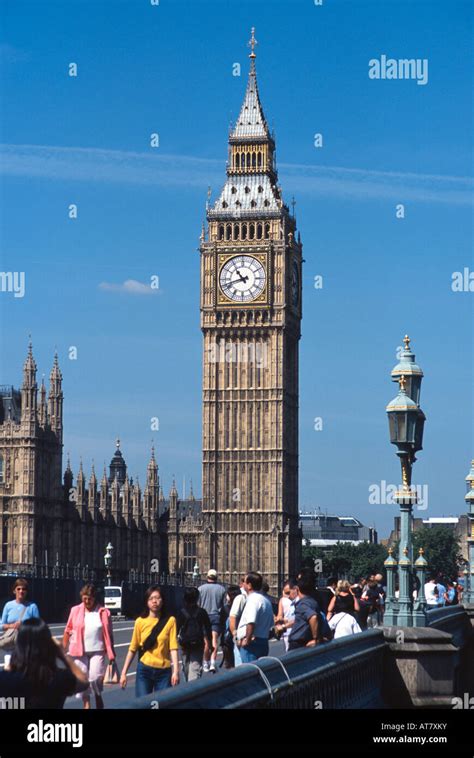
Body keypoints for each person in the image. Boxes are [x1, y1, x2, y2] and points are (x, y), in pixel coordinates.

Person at [2, 617, 89, 708]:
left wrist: (8, 669)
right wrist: (62, 654)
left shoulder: (6, 680)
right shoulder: (58, 678)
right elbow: (84, 682)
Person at [62, 583, 116, 710]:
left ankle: (98, 695)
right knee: (83, 679)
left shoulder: (103, 612)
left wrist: (111, 653)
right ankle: (86, 704)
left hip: (98, 650)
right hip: (79, 651)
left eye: (89, 598)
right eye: (84, 598)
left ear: (94, 598)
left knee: (95, 677)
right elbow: (68, 629)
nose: (87, 601)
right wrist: (63, 648)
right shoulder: (75, 610)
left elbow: (109, 634)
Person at [120, 585, 179, 696]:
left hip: (164, 671)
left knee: (161, 704)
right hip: (144, 670)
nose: (154, 601)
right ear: (146, 602)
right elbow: (133, 648)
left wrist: (175, 671)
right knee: (144, 704)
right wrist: (124, 673)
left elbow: (173, 648)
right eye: (151, 599)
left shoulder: (171, 621)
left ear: (163, 601)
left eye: (157, 598)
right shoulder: (140, 622)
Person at [236, 572, 274, 663]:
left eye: (244, 582)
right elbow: (271, 625)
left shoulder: (253, 601)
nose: (242, 584)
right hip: (263, 641)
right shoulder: (266, 601)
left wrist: (247, 640)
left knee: (249, 671)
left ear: (249, 585)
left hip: (252, 645)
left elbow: (251, 622)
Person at [176, 587, 211, 682]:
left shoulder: (181, 612)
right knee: (195, 669)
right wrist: (210, 644)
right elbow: (208, 629)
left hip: (184, 643)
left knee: (185, 667)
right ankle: (192, 687)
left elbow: (176, 629)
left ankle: (188, 686)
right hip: (198, 643)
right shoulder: (202, 612)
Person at [198, 569, 226, 672]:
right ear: (216, 577)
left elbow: (198, 605)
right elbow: (224, 606)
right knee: (214, 640)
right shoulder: (222, 589)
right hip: (216, 617)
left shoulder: (200, 589)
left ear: (207, 577)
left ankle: (205, 663)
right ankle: (213, 663)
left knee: (206, 642)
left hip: (204, 617)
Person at [288, 575, 326, 650]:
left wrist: (316, 639)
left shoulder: (303, 604)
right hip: (305, 641)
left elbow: (313, 617)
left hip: (298, 644)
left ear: (297, 589)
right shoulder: (313, 602)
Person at [1, 579, 40, 651]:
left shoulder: (32, 606)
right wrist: (12, 626)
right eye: (18, 589)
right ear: (14, 591)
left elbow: (38, 627)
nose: (21, 591)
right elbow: (1, 625)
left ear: (26, 591)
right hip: (11, 647)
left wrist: (23, 625)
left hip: (27, 647)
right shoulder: (8, 605)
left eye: (23, 589)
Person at [220, 585, 241, 669]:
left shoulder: (225, 609)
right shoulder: (243, 606)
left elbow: (221, 623)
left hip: (228, 640)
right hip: (239, 638)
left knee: (229, 664)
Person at [274, 580, 297, 652]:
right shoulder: (283, 600)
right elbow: (280, 615)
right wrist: (279, 620)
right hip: (287, 632)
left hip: (297, 631)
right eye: (286, 593)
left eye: (288, 593)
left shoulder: (300, 600)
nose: (288, 595)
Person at [229, 583, 247, 667]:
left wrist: (235, 636)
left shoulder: (240, 598)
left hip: (240, 639)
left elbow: (232, 617)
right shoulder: (262, 599)